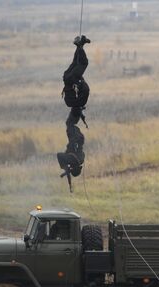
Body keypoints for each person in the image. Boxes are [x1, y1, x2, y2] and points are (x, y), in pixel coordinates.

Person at [58, 35, 91, 189]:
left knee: (83, 63)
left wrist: (68, 167)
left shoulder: (76, 150)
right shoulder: (75, 154)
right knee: (76, 63)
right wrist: (68, 166)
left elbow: (62, 156)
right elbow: (62, 156)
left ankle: (80, 45)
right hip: (68, 80)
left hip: (72, 85)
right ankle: (79, 46)